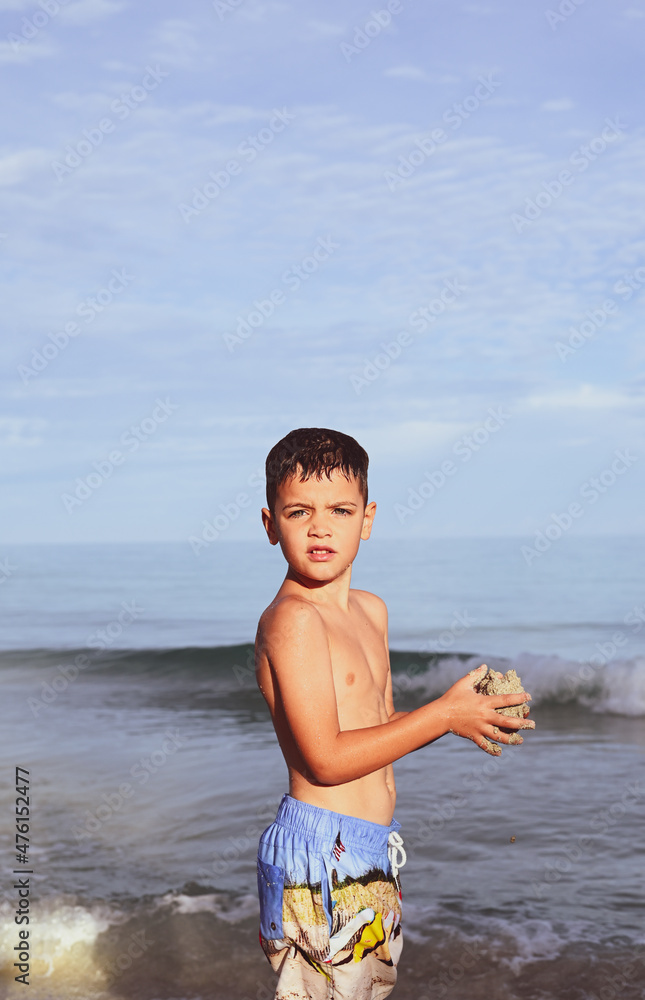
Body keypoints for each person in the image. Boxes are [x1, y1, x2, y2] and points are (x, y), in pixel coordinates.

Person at [254, 427, 534, 1000]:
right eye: (299, 511)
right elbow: (327, 760)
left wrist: (464, 715)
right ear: (270, 524)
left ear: (368, 519)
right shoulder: (293, 621)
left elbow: (376, 724)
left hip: (372, 846)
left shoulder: (371, 611)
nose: (320, 527)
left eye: (340, 510)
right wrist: (442, 715)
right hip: (321, 855)